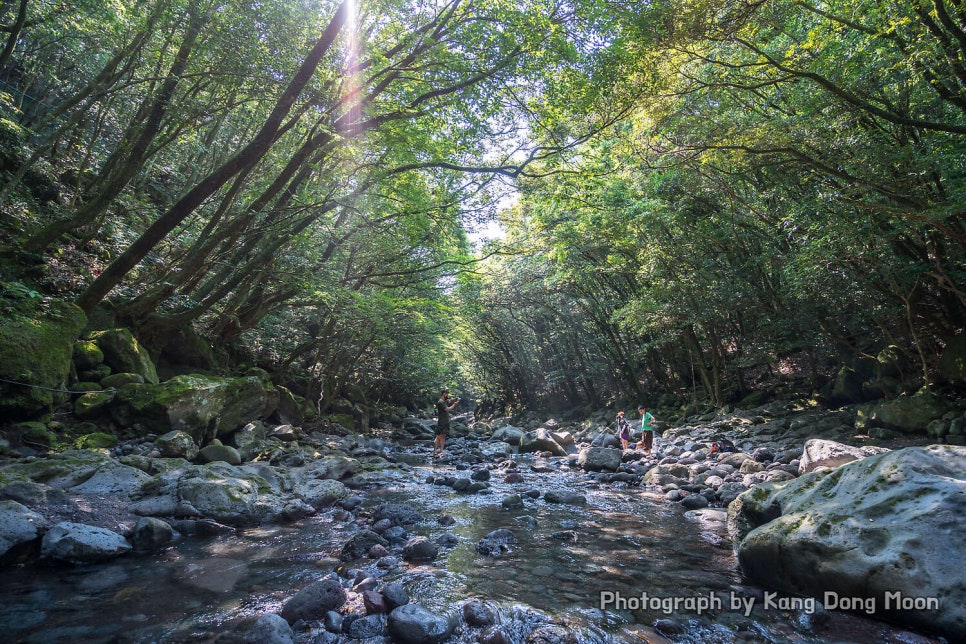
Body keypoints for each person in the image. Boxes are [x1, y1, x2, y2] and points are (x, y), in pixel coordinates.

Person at [433, 389, 459, 458]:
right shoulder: (440, 402)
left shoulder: (444, 401)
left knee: (442, 436)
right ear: (444, 394)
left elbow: (450, 401)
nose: (448, 395)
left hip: (445, 421)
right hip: (442, 422)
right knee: (439, 437)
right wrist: (454, 405)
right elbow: (448, 409)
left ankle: (439, 452)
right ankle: (437, 452)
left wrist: (455, 399)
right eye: (447, 394)